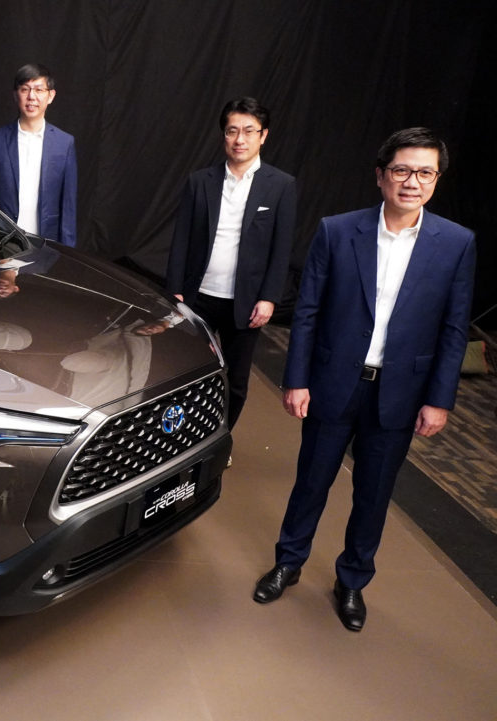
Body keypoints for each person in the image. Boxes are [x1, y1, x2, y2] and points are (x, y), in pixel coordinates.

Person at [253, 127, 475, 632]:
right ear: (381, 176)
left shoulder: (456, 244)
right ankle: (288, 561)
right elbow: (307, 311)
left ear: (436, 180)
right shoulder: (337, 231)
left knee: (373, 495)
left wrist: (440, 399)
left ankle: (352, 580)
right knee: (311, 481)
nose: (412, 182)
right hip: (333, 383)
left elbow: (454, 328)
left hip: (400, 393)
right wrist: (296, 379)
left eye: (425, 173)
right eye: (402, 170)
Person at [165, 97, 296, 431]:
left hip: (246, 302)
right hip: (198, 297)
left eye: (249, 131)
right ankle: (185, 437)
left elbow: (281, 249)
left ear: (263, 135)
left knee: (236, 381)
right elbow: (181, 241)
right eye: (232, 131)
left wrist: (269, 298)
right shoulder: (200, 181)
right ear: (223, 135)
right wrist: (175, 291)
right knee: (186, 373)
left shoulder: (281, 185)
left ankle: (220, 437)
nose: (240, 139)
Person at [0, 63, 77, 247]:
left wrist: (68, 252)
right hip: (3, 244)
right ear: (16, 95)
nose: (31, 97)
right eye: (25, 89)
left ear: (50, 96)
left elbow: (68, 206)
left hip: (47, 243)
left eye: (39, 90)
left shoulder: (64, 143)